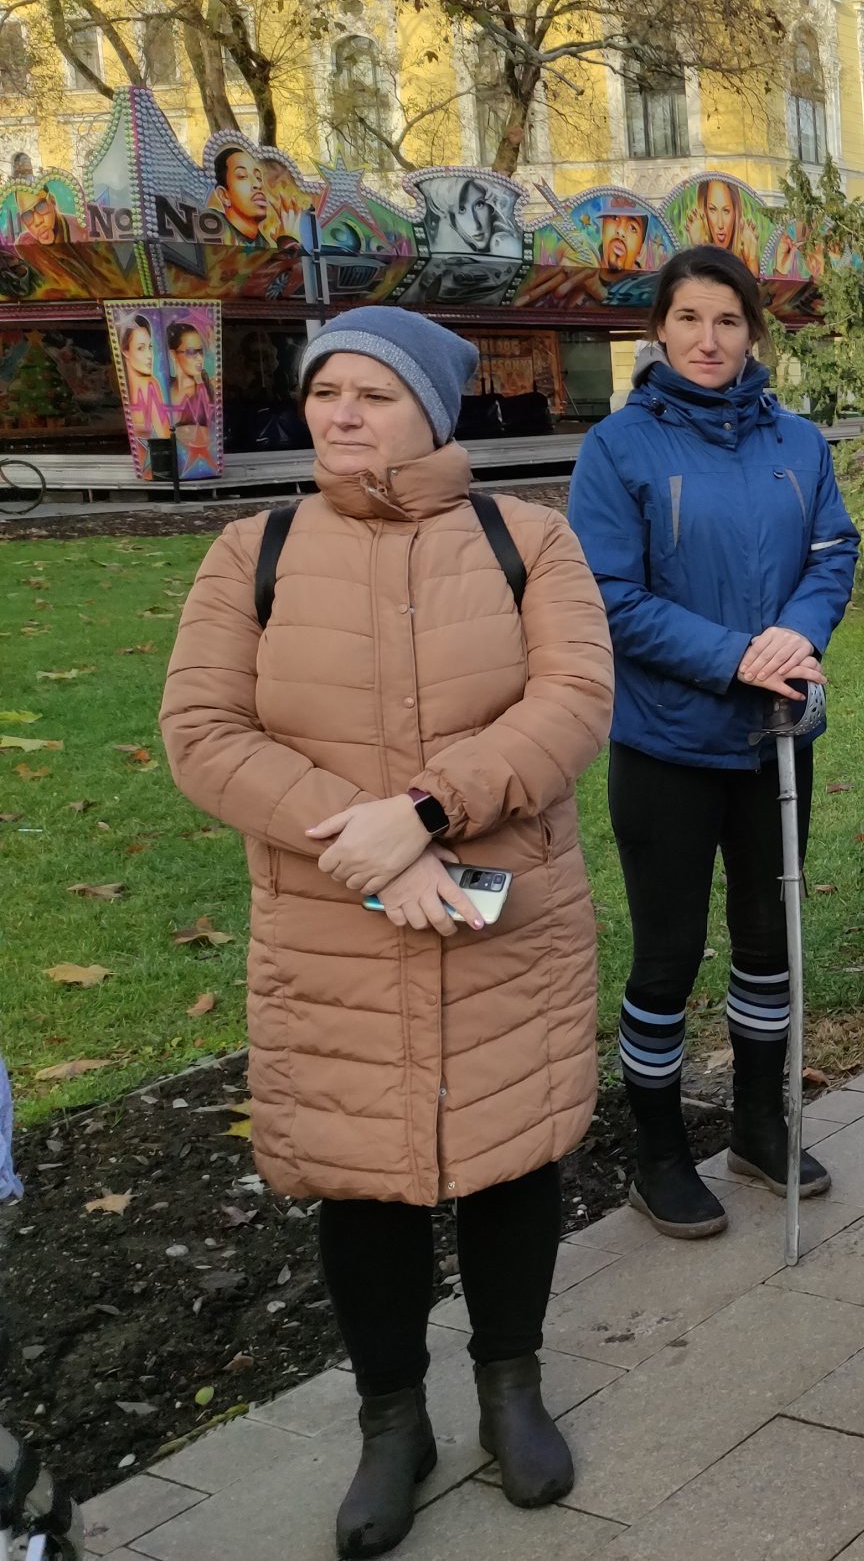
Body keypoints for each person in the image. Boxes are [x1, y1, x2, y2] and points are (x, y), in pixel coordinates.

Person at [162, 306, 613, 1558]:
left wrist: (426, 811)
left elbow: (572, 700)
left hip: (502, 916)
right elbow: (202, 731)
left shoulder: (528, 539)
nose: (343, 413)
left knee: (513, 1156)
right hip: (332, 932)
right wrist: (355, 838)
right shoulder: (252, 551)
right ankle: (391, 1418)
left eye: (373, 392)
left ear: (435, 409)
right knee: (362, 1183)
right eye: (325, 393)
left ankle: (511, 1387)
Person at [567, 246, 860, 1239]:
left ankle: (758, 1125)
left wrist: (800, 633)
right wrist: (735, 654)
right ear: (659, 330)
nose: (709, 339)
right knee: (668, 950)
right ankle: (654, 1150)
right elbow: (606, 597)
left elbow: (833, 549)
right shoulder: (619, 450)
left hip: (777, 736)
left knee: (769, 943)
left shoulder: (796, 440)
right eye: (689, 319)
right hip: (667, 743)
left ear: (753, 332)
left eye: (728, 321)